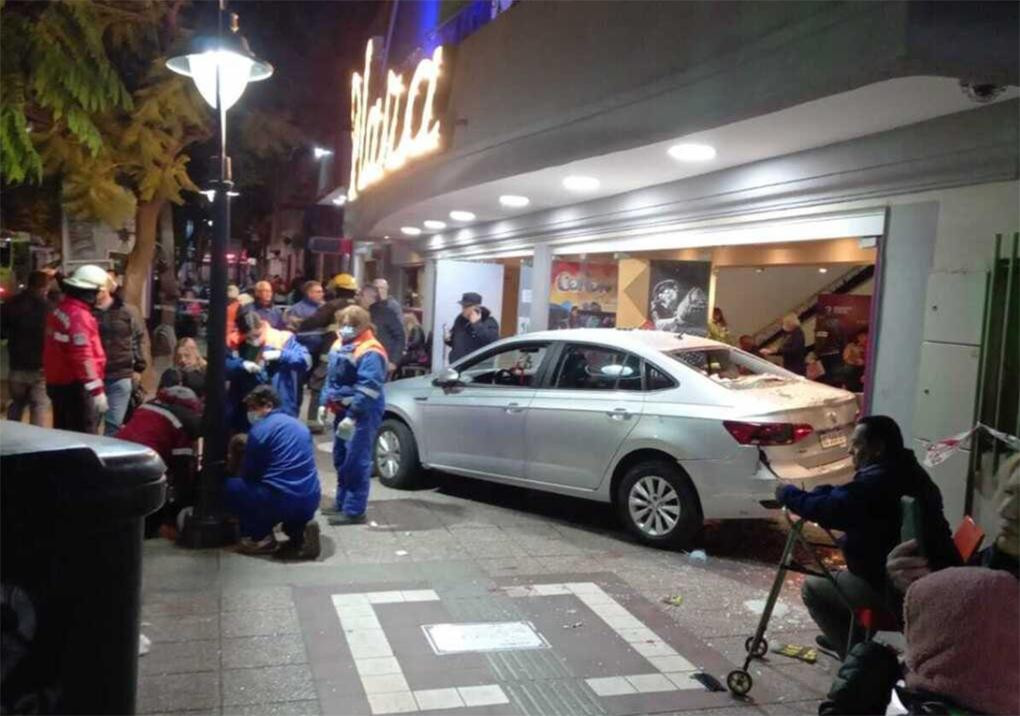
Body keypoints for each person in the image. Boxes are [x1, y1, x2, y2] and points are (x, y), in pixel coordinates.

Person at [774, 415, 959, 658]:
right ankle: (855, 640)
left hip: (894, 589)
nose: (850, 449)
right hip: (918, 578)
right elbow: (842, 496)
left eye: (857, 443)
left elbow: (831, 509)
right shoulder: (905, 471)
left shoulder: (879, 482)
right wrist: (821, 494)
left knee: (814, 588)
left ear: (877, 448)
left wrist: (786, 493)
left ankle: (858, 660)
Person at [223, 386, 321, 558]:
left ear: (268, 405)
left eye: (253, 408)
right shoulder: (299, 425)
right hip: (311, 496)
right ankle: (300, 532)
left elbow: (250, 474)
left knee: (233, 487)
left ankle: (259, 537)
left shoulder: (260, 431)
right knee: (288, 499)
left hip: (279, 499)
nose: (251, 413)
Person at [318, 305, 387, 526]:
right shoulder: (340, 343)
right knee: (341, 456)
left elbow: (369, 387)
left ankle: (354, 510)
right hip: (342, 409)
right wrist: (322, 403)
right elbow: (331, 378)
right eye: (343, 324)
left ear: (362, 325)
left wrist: (353, 415)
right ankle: (342, 502)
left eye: (351, 325)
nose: (346, 329)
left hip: (362, 412)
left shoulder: (370, 350)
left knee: (356, 459)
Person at [115, 385, 203, 536]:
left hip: (118, 457)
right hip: (146, 466)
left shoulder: (146, 407)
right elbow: (182, 472)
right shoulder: (183, 423)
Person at [43, 265, 110, 433]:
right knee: (83, 437)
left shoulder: (61, 310)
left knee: (63, 433)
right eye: (99, 291)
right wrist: (96, 390)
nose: (102, 296)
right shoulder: (79, 317)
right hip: (76, 387)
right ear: (89, 292)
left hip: (59, 383)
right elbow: (83, 356)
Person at [225, 311, 311, 431]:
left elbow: (305, 361)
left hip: (279, 403)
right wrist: (241, 364)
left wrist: (281, 355)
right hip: (245, 406)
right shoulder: (235, 342)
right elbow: (223, 364)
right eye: (249, 337)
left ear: (261, 326)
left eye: (256, 335)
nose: (253, 339)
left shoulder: (282, 339)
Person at [94, 279, 147, 435]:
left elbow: (138, 338)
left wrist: (138, 367)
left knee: (114, 425)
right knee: (91, 423)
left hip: (120, 374)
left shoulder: (127, 311)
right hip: (96, 376)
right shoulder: (89, 312)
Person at [2, 271, 52, 426]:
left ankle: (11, 439)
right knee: (39, 407)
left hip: (17, 364)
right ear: (45, 287)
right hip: (40, 367)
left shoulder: (11, 304)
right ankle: (36, 443)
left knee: (17, 404)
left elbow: (2, 330)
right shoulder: (48, 308)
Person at [445, 292, 500, 363]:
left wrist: (476, 324)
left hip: (475, 367)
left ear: (476, 308)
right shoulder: (460, 319)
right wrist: (448, 339)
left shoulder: (489, 321)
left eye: (466, 307)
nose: (463, 310)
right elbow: (455, 342)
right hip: (457, 364)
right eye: (462, 306)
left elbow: (493, 342)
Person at [371, 278, 406, 377]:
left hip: (387, 352)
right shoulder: (369, 308)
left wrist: (396, 357)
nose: (379, 291)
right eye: (377, 288)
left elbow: (400, 331)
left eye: (382, 288)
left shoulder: (392, 306)